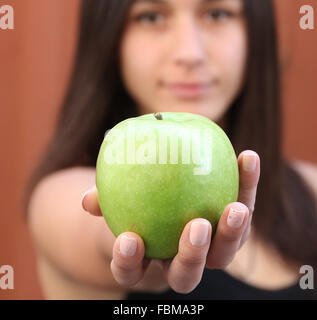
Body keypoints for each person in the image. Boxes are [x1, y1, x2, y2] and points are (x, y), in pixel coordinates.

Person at [23, 0, 317, 300]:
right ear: (108, 39)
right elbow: (100, 239)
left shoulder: (312, 191)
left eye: (217, 14)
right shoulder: (58, 198)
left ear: (257, 33)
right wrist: (145, 250)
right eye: (150, 17)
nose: (190, 53)